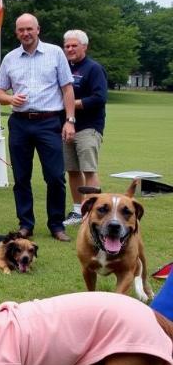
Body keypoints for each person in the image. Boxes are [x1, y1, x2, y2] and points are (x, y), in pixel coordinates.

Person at [0, 13, 76, 242]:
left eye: (29, 29)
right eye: (21, 30)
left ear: (38, 29)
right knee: (21, 177)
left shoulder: (55, 53)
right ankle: (25, 225)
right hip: (20, 123)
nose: (25, 33)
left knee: (54, 176)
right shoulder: (10, 58)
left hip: (49, 122)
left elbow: (68, 89)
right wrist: (10, 99)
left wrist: (70, 121)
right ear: (16, 32)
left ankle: (57, 225)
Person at [61, 29, 108, 226]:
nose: (70, 49)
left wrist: (72, 104)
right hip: (66, 127)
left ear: (84, 47)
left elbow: (99, 98)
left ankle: (92, 213)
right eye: (67, 46)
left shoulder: (93, 69)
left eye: (74, 45)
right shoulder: (64, 67)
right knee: (72, 170)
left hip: (89, 127)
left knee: (88, 169)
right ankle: (77, 211)